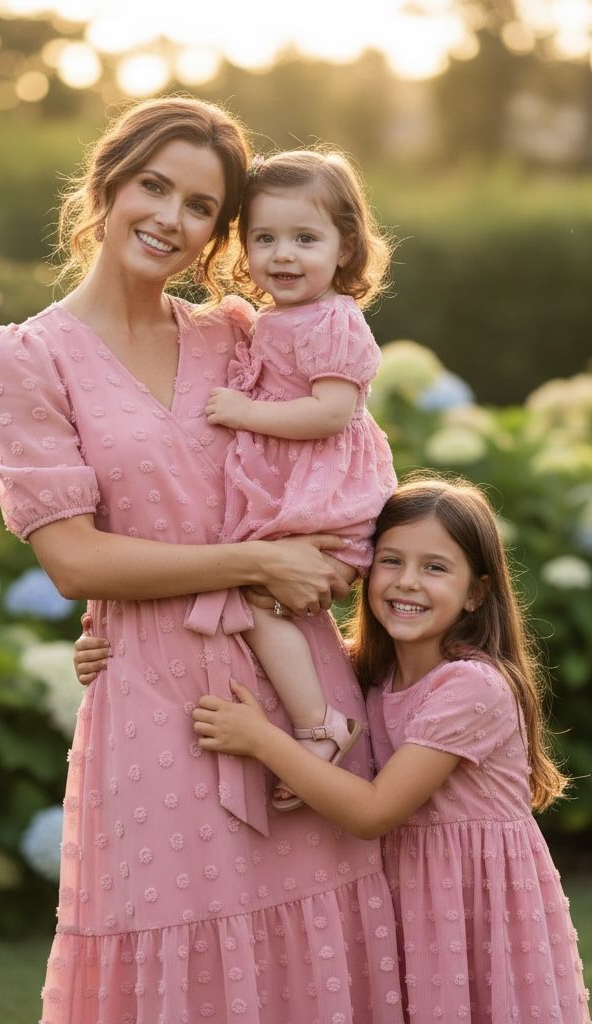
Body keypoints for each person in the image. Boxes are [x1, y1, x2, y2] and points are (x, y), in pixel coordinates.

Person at [0, 97, 404, 1024]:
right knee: (175, 938)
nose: (171, 218)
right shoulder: (30, 359)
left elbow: (335, 453)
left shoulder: (237, 335)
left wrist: (332, 554)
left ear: (222, 232)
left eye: (201, 206)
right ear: (108, 185)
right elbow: (75, 560)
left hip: (296, 690)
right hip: (156, 705)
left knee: (322, 947)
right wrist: (253, 569)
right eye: (153, 187)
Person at [191, 474, 592, 1023]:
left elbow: (375, 812)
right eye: (391, 561)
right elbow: (257, 634)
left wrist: (263, 741)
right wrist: (102, 647)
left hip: (479, 908)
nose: (407, 583)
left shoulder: (473, 687)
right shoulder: (364, 673)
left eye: (435, 567)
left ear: (476, 592)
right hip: (409, 901)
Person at [191, 149, 397, 811]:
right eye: (265, 238)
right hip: (295, 489)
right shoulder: (281, 318)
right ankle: (317, 721)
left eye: (305, 239)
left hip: (325, 495)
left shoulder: (337, 321)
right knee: (257, 599)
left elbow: (333, 412)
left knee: (257, 599)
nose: (283, 254)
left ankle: (319, 728)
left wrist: (247, 411)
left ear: (344, 249)